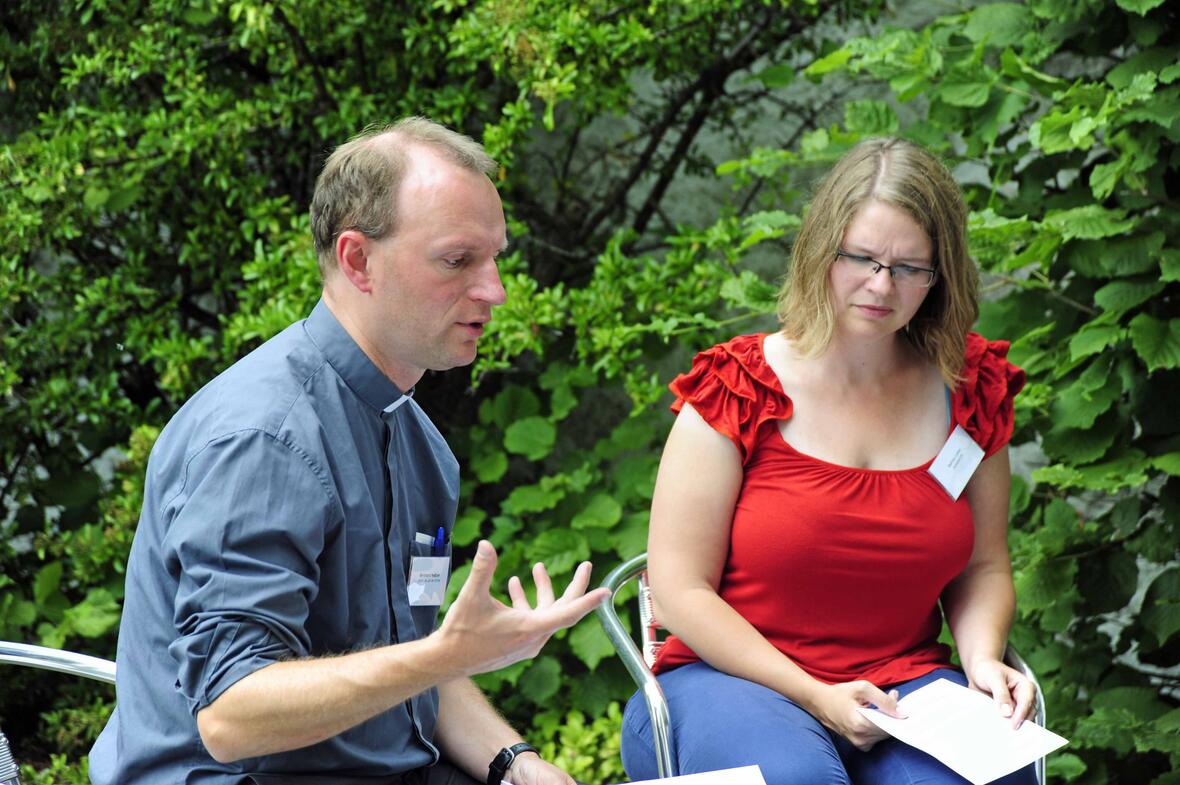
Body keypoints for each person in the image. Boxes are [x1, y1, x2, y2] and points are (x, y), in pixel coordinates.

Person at [90, 117, 610, 785]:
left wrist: (516, 761)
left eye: (495, 258)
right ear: (357, 259)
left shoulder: (417, 440)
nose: (494, 289)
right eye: (458, 260)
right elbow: (231, 714)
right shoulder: (265, 438)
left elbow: (407, 659)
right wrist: (447, 654)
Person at [619, 137, 1036, 785]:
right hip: (730, 680)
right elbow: (679, 589)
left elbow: (983, 564)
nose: (881, 284)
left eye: (909, 267)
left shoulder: (970, 390)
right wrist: (816, 694)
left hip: (905, 684)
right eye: (862, 258)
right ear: (821, 250)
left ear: (941, 275)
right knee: (797, 779)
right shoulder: (738, 389)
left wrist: (982, 657)